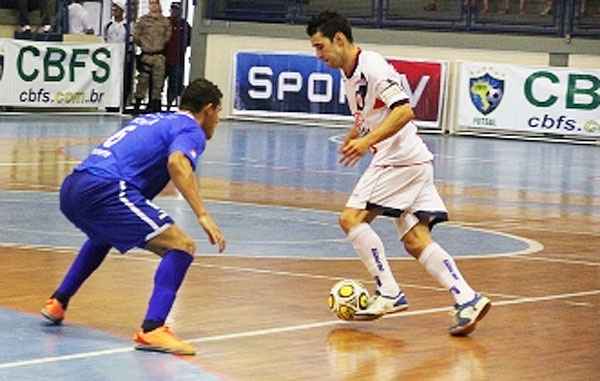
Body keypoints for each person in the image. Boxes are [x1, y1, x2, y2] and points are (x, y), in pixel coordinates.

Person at [306, 11, 491, 336]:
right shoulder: (349, 75)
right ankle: (467, 297)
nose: (318, 55)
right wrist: (356, 133)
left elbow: (404, 110)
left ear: (339, 39)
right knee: (415, 240)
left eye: (320, 47)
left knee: (351, 219)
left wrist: (366, 142)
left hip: (398, 160)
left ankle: (389, 291)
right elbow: (371, 113)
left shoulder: (373, 66)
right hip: (413, 161)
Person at [40, 78, 226, 355]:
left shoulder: (153, 119)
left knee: (102, 236)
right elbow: (177, 162)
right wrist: (202, 214)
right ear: (208, 109)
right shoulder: (191, 128)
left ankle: (58, 301)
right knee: (182, 246)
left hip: (73, 186)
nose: (217, 121)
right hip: (105, 188)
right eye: (218, 114)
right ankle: (153, 329)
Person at [133, 0, 171, 113]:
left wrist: (158, 45)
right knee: (142, 81)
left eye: (155, 3)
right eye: (151, 3)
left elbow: (167, 37)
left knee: (158, 83)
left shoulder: (165, 21)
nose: (153, 5)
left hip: (159, 55)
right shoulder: (143, 20)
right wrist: (145, 45)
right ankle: (137, 104)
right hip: (146, 55)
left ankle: (155, 105)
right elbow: (136, 37)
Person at [165, 1, 191, 111]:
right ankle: (155, 104)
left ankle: (171, 104)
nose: (174, 12)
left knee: (175, 84)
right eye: (173, 9)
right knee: (158, 83)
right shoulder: (165, 23)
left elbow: (189, 39)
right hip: (164, 58)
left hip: (178, 59)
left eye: (176, 10)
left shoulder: (184, 25)